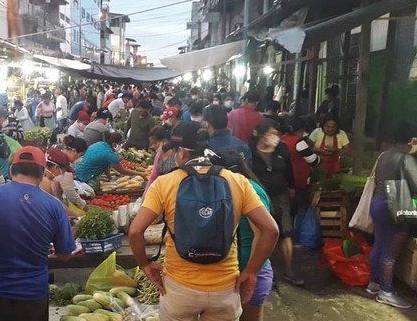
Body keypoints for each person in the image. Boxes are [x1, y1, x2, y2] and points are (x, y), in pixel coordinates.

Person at [128, 121, 279, 320]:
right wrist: (251, 272)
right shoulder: (237, 181)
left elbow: (135, 231)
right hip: (225, 289)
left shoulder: (164, 184)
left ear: (181, 152)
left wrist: (145, 265)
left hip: (179, 289)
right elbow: (271, 230)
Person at [0, 147, 76, 320]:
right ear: (42, 173)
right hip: (33, 298)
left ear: (11, 169)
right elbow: (64, 255)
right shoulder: (54, 206)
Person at [212, 150, 273, 321]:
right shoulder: (225, 188)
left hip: (249, 273)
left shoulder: (249, 189)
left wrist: (250, 271)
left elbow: (263, 232)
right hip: (236, 271)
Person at [367, 123, 417, 309]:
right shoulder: (406, 159)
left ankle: (374, 284)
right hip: (396, 206)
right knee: (391, 251)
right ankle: (386, 292)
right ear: (411, 140)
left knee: (379, 244)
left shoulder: (384, 155)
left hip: (379, 202)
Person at [250, 118, 301, 286]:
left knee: (285, 231)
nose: (275, 137)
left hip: (281, 195)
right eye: (271, 134)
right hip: (259, 197)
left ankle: (289, 270)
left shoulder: (282, 149)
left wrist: (292, 187)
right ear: (261, 135)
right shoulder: (250, 150)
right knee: (264, 231)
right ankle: (264, 272)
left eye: (276, 134)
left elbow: (288, 170)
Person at [281, 117, 321, 217]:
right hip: (297, 181)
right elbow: (314, 161)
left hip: (282, 181)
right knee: (297, 210)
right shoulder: (298, 143)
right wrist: (320, 157)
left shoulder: (281, 140)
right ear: (300, 130)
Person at [75, 132, 145, 189]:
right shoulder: (110, 155)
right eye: (120, 144)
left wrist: (110, 178)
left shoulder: (99, 144)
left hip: (77, 170)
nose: (120, 146)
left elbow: (105, 165)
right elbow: (122, 171)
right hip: (85, 176)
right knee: (96, 186)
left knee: (103, 179)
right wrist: (140, 174)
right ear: (114, 144)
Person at [42, 147, 87, 212]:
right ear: (56, 167)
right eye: (62, 172)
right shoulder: (42, 183)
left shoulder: (50, 180)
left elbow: (58, 204)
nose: (62, 175)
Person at [309, 114, 351, 179]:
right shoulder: (317, 132)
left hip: (334, 168)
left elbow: (348, 152)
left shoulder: (341, 134)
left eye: (333, 127)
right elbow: (307, 149)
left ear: (337, 127)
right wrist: (319, 150)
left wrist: (336, 150)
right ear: (323, 125)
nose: (330, 129)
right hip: (318, 168)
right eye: (328, 126)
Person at [144, 126, 177, 193]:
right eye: (151, 144)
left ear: (165, 141)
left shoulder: (176, 156)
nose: (153, 146)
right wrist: (146, 193)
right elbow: (153, 177)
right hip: (161, 192)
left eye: (155, 143)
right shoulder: (158, 156)